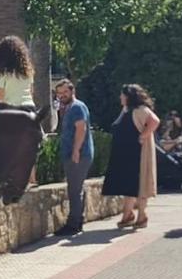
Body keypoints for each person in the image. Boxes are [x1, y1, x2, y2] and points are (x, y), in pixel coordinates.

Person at [102, 83, 160, 230]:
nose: (120, 97)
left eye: (123, 94)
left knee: (141, 183)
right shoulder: (126, 110)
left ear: (129, 96)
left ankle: (141, 216)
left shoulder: (141, 110)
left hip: (139, 152)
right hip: (127, 153)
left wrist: (143, 136)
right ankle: (127, 215)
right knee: (129, 185)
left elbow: (155, 121)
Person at [54, 79, 94, 236]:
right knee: (77, 189)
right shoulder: (68, 108)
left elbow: (81, 129)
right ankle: (78, 221)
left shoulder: (77, 107)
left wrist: (76, 151)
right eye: (59, 93)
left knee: (74, 190)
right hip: (75, 154)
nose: (62, 96)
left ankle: (73, 224)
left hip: (79, 155)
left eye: (65, 92)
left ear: (72, 91)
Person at [0, 35, 37, 107]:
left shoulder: (2, 72)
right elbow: (31, 91)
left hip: (12, 108)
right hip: (29, 106)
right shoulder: (27, 70)